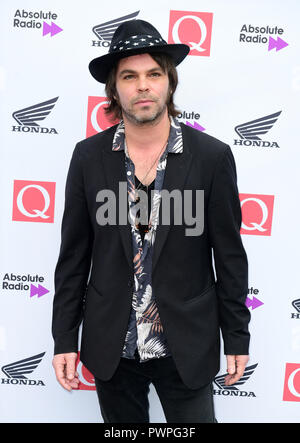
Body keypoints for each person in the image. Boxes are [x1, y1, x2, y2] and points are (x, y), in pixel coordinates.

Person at [52, 19, 251, 423]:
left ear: (169, 83)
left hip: (186, 344)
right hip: (112, 346)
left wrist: (236, 337)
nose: (143, 86)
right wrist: (64, 339)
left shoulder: (212, 158)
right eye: (129, 76)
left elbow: (230, 257)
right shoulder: (88, 158)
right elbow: (73, 258)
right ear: (115, 88)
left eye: (153, 74)